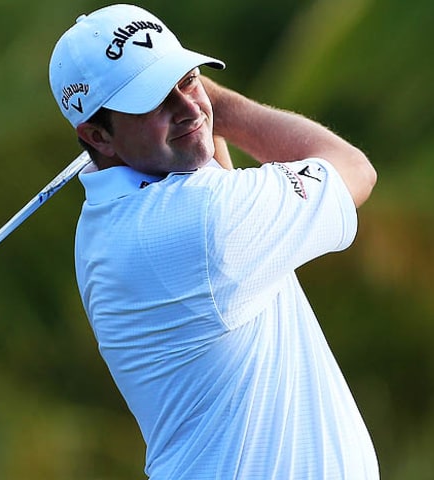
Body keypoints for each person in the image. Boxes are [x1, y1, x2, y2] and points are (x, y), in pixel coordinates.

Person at [49, 4, 378, 479]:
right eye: (153, 99)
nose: (187, 109)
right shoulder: (202, 221)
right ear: (97, 136)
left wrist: (192, 107)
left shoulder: (113, 215)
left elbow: (209, 166)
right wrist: (216, 106)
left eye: (187, 80)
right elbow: (353, 169)